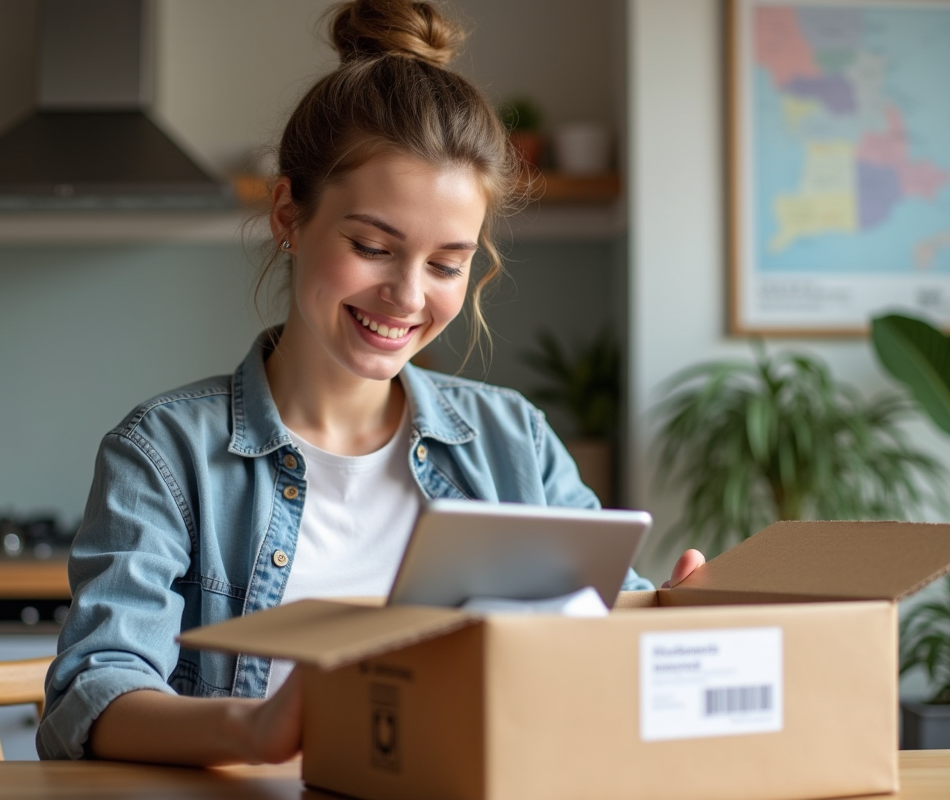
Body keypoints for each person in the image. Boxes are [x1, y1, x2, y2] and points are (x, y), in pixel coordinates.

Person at [36, 0, 703, 766]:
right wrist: (253, 730)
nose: (409, 296)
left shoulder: (512, 440)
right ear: (289, 213)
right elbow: (94, 690)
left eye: (447, 264)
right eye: (372, 246)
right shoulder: (165, 453)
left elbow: (604, 639)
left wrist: (672, 611)